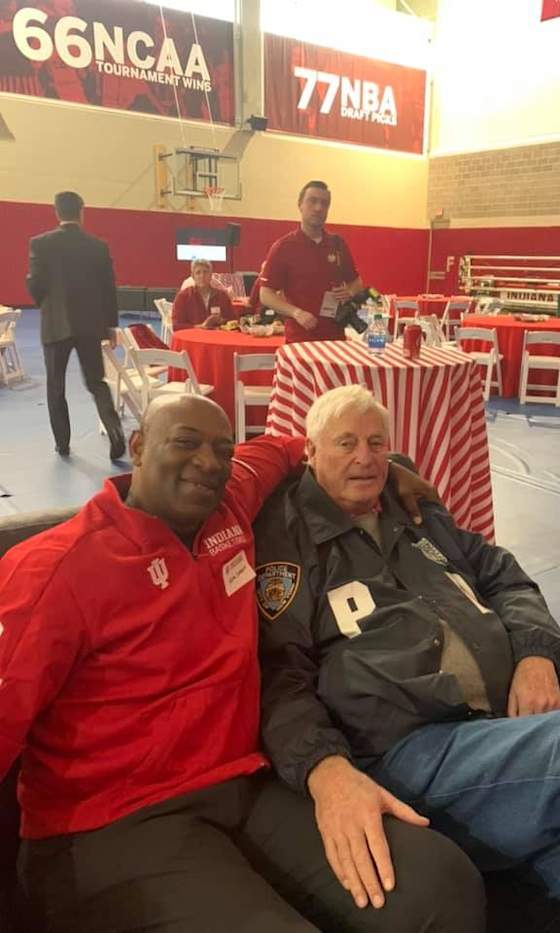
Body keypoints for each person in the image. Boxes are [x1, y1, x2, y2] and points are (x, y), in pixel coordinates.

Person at [0, 394, 483, 933]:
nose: (207, 461)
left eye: (221, 450)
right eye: (185, 442)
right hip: (114, 823)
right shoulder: (55, 570)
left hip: (243, 784)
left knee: (439, 885)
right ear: (136, 447)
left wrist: (385, 468)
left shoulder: (227, 504)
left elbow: (289, 446)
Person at [253, 384, 560, 933]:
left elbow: (504, 576)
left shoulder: (412, 511)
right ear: (310, 452)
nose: (365, 457)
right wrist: (325, 769)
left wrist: (535, 655)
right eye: (345, 443)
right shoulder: (291, 544)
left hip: (495, 737)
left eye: (376, 442)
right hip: (406, 747)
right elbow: (279, 677)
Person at [26, 190, 126, 460]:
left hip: (55, 325)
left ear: (57, 212)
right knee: (96, 382)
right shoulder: (98, 246)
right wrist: (111, 325)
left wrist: (47, 304)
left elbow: (34, 283)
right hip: (90, 325)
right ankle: (115, 432)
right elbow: (109, 288)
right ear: (82, 212)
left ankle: (63, 444)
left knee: (55, 387)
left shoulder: (40, 244)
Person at [259, 180, 363, 343]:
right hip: (300, 339)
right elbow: (265, 294)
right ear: (300, 205)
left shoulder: (337, 244)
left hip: (336, 339)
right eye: (312, 201)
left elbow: (357, 283)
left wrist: (349, 292)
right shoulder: (283, 247)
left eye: (324, 203)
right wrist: (296, 313)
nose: (318, 208)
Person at [172, 258, 237, 331]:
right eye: (198, 273)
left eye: (205, 272)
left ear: (211, 275)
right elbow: (176, 326)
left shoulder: (222, 296)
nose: (202, 276)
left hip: (217, 338)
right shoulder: (183, 296)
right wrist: (201, 326)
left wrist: (221, 321)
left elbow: (234, 321)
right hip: (193, 338)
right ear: (193, 276)